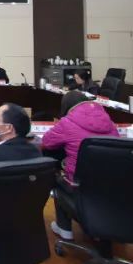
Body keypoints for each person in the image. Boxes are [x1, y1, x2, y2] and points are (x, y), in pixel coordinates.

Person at [43, 91, 117, 239]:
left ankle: (64, 228)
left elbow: (47, 142)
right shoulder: (108, 120)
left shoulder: (67, 122)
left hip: (79, 185)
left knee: (56, 177)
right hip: (110, 187)